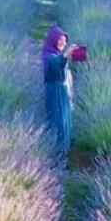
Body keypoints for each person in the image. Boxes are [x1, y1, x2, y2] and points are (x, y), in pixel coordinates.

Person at [42, 26, 76, 166]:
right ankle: (56, 158)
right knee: (58, 123)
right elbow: (56, 65)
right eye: (60, 40)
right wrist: (65, 55)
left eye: (64, 40)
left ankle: (63, 156)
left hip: (63, 94)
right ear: (53, 40)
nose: (62, 43)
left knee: (65, 122)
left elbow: (64, 70)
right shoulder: (49, 55)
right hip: (55, 94)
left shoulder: (56, 54)